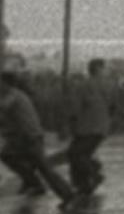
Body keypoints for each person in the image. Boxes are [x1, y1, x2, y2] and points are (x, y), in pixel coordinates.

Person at [0, 71, 77, 205]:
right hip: (21, 138)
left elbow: (3, 107)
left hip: (30, 137)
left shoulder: (13, 95)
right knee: (8, 155)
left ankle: (67, 194)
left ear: (6, 83)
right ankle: (34, 183)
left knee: (44, 168)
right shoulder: (13, 95)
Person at [66, 58, 112, 195]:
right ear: (99, 70)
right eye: (103, 68)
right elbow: (112, 106)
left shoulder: (84, 85)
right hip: (99, 127)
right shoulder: (106, 85)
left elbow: (75, 108)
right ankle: (84, 183)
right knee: (80, 154)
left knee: (76, 154)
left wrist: (71, 123)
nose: (105, 71)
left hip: (87, 128)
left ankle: (92, 176)